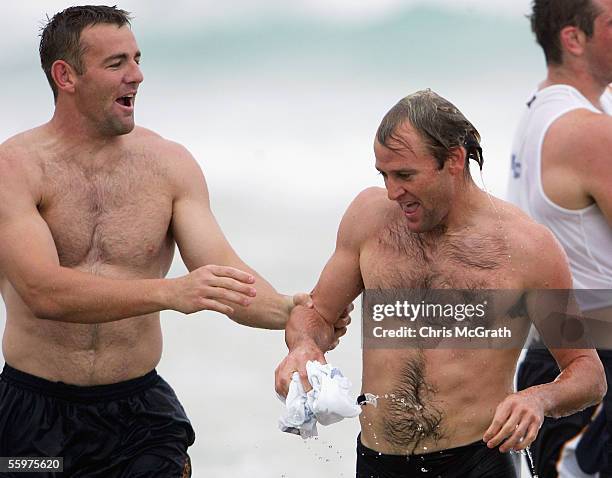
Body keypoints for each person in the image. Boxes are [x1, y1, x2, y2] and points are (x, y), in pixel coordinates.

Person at [0, 6, 348, 477]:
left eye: (137, 58)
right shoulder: (16, 168)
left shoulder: (168, 165)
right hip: (33, 414)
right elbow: (42, 292)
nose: (137, 75)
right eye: (116, 63)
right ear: (66, 75)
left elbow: (223, 275)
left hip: (138, 416)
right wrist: (170, 293)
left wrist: (297, 314)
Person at [274, 89, 607, 478]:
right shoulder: (369, 219)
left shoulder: (528, 247)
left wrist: (538, 398)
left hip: (479, 462)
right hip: (378, 462)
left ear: (454, 160)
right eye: (384, 175)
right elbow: (316, 313)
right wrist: (303, 346)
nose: (392, 192)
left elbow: (587, 372)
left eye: (405, 175)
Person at [507, 0, 612, 476]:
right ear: (574, 39)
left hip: (552, 360)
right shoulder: (588, 131)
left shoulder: (540, 109)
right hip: (596, 369)